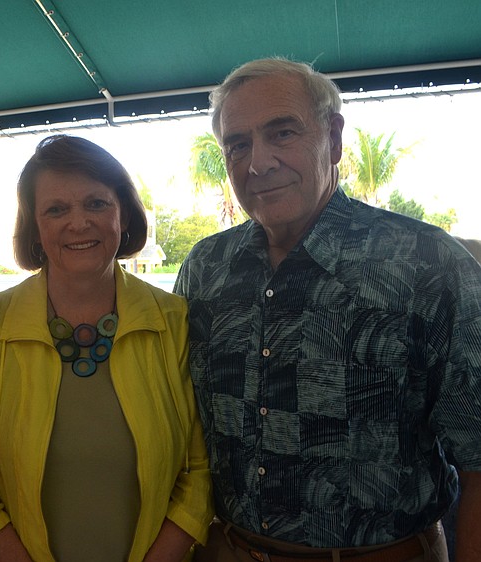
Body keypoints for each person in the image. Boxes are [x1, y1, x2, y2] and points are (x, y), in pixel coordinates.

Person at [175, 57, 481, 562]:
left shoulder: (429, 265)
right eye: (238, 144)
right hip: (227, 548)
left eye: (283, 133)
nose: (259, 162)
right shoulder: (207, 268)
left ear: (333, 138)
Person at [0, 134, 214, 562]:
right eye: (56, 209)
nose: (79, 223)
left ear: (124, 215)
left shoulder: (173, 319)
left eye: (96, 203)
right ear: (35, 227)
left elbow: (200, 472)